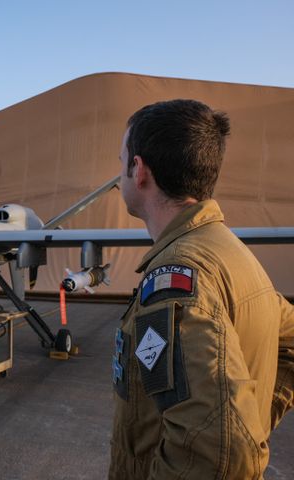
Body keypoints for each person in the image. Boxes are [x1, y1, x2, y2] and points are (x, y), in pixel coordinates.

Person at [110, 99, 294, 479]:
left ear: (140, 171)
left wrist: (242, 431)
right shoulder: (227, 250)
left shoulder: (179, 280)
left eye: (122, 162)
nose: (120, 176)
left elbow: (217, 454)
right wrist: (253, 419)